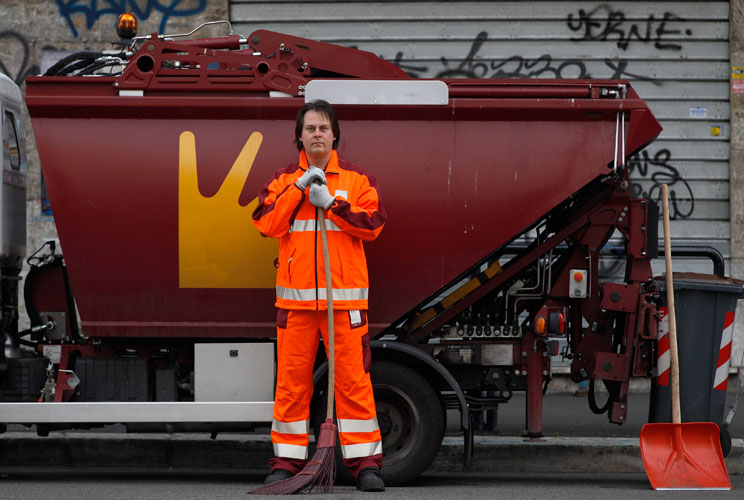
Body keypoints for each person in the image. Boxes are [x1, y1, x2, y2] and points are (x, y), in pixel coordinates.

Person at [252, 99, 387, 492]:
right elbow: (266, 224)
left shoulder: (358, 180)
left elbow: (374, 225)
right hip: (295, 307)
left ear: (334, 135)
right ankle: (286, 463)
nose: (316, 135)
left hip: (344, 306)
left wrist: (332, 203)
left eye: (323, 129)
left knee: (353, 384)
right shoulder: (282, 181)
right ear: (299, 135)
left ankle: (365, 465)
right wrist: (298, 190)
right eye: (310, 128)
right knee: (292, 385)